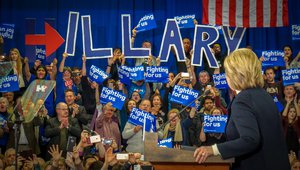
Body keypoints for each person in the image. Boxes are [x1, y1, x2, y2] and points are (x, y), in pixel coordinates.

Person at [194, 48, 290, 169]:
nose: (227, 77)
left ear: (237, 75)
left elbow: (250, 139)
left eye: (228, 72)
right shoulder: (265, 95)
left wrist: (213, 149)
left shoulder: (243, 99)